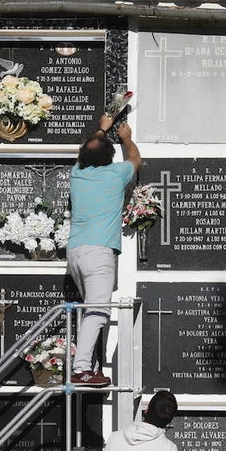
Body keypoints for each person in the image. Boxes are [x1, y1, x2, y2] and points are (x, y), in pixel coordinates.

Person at [66, 114, 141, 387]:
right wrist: (127, 139)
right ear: (111, 158)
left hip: (75, 251)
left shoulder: (77, 174)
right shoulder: (116, 173)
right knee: (98, 311)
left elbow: (91, 149)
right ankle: (82, 369)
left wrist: (101, 129)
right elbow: (135, 160)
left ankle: (91, 365)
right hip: (99, 253)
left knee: (92, 313)